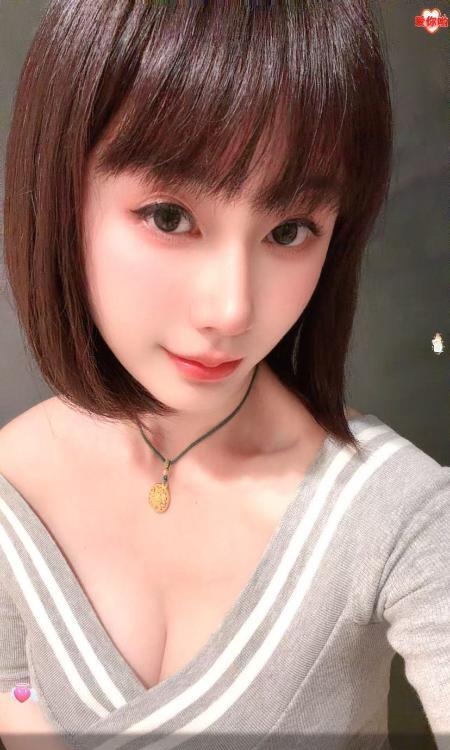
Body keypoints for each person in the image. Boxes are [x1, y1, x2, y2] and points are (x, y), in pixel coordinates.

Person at [0, 1, 449, 749]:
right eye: (170, 217)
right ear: (61, 192)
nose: (232, 309)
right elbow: (14, 689)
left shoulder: (396, 515)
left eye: (289, 231)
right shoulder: (14, 487)